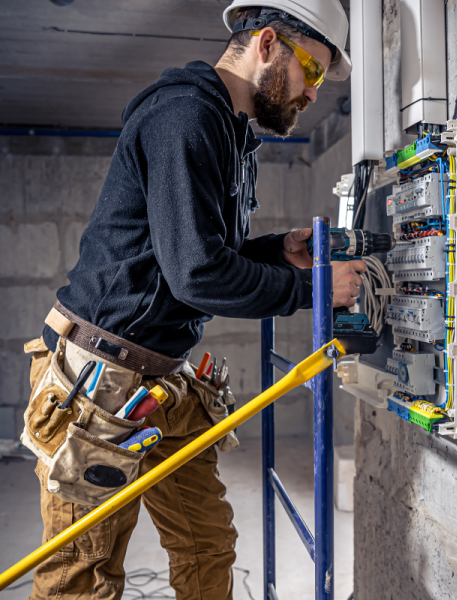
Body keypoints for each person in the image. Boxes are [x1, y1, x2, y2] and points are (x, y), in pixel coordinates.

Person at [24, 1, 365, 599]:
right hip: (99, 387)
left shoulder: (228, 133)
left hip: (160, 381)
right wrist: (312, 290)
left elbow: (198, 253)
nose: (313, 94)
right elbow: (198, 276)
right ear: (266, 43)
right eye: (311, 72)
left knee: (207, 545)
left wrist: (276, 250)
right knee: (83, 575)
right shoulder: (185, 115)